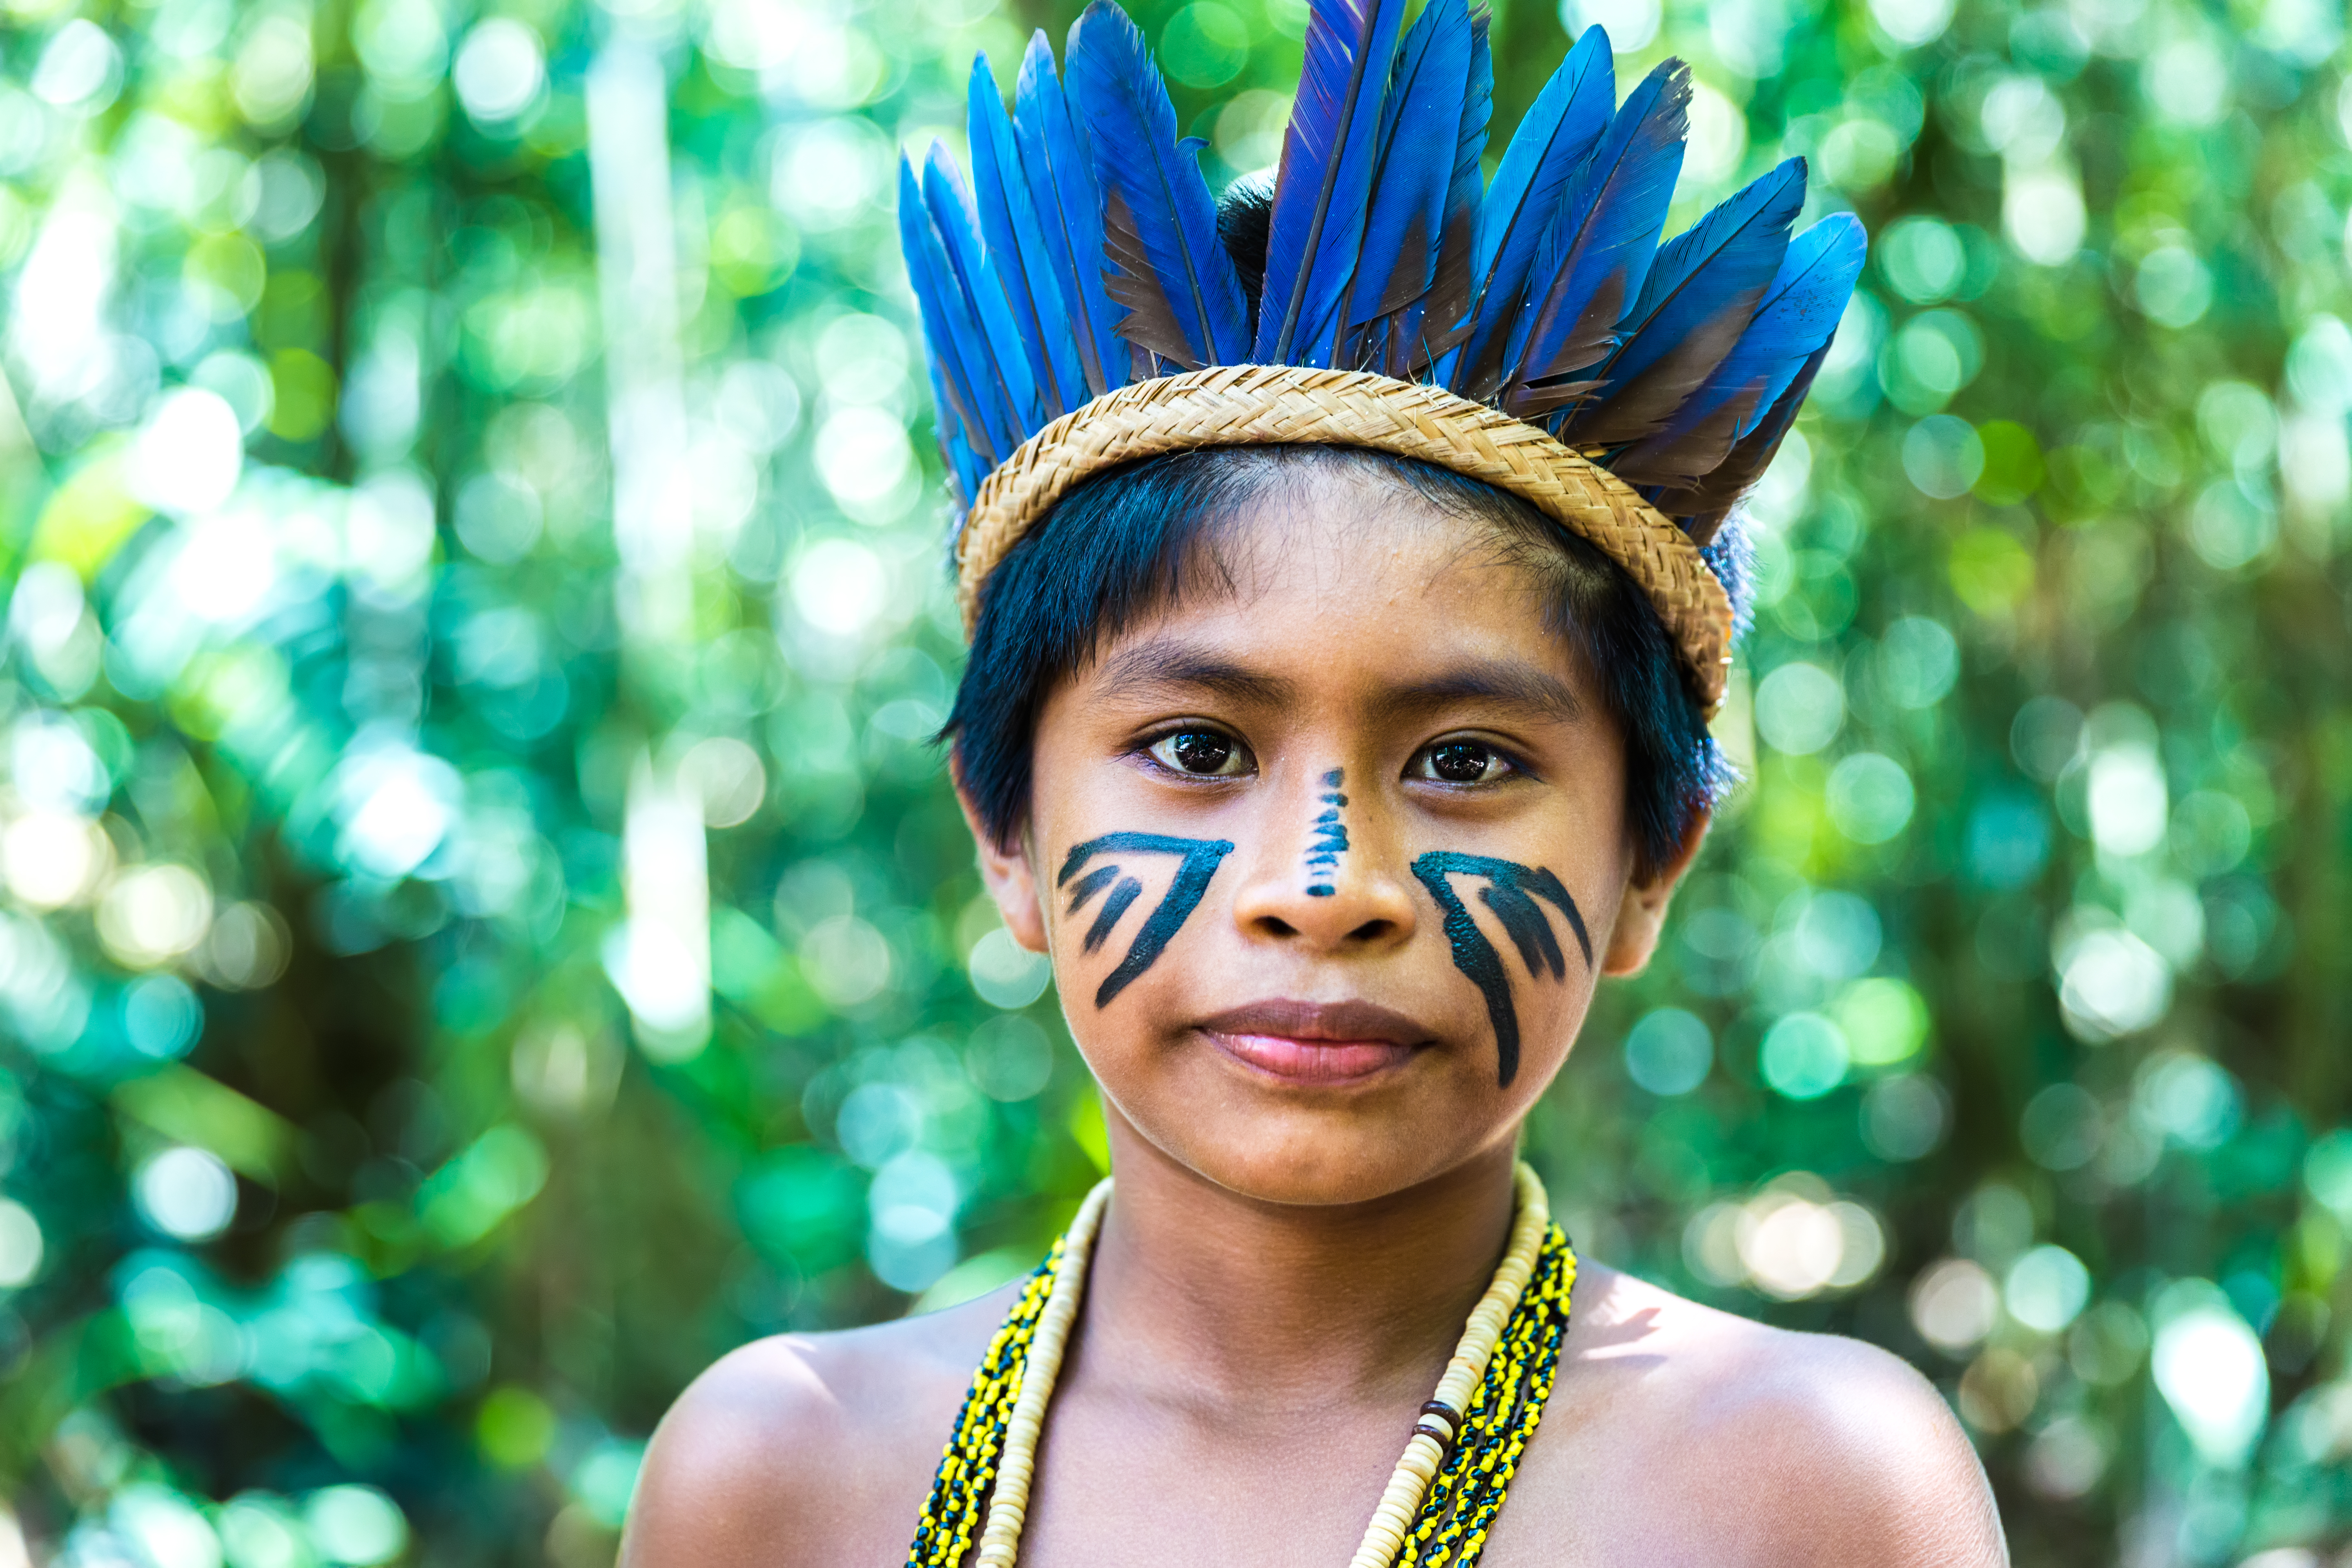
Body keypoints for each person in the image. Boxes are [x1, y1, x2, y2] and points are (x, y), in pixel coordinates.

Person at [621, 2, 2009, 1563]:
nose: (1325, 886)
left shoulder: (1806, 1489)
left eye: (1469, 761)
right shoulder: (783, 1478)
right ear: (1005, 831)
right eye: (1198, 751)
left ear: (1653, 859)